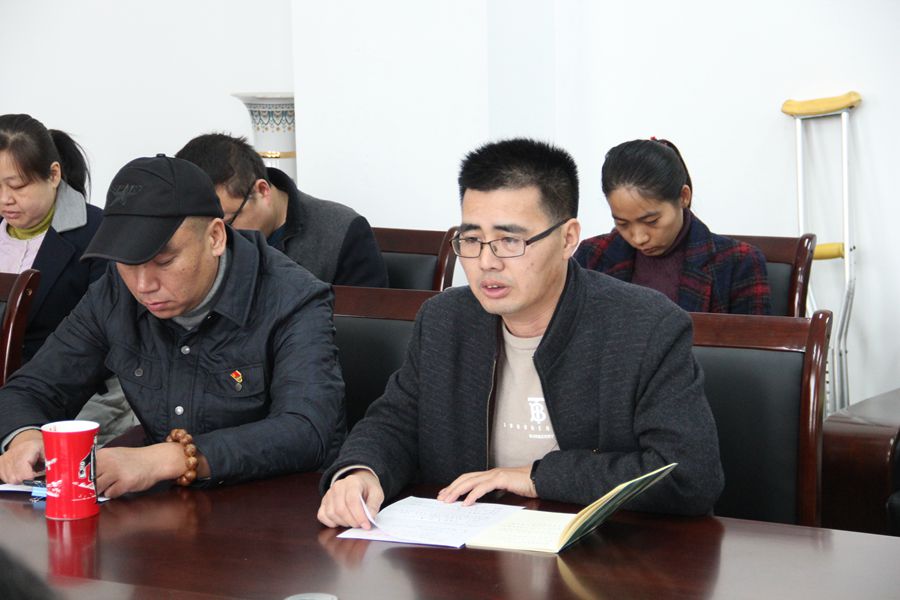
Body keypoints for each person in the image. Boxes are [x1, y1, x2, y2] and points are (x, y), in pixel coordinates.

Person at [317, 138, 724, 529]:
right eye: (472, 239)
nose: (486, 262)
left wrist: (536, 477)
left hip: (607, 552)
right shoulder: (445, 319)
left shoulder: (645, 326)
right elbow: (396, 422)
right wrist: (361, 471)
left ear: (568, 239)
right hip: (466, 551)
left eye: (510, 240)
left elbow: (689, 475)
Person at [0, 155, 345, 497]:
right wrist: (24, 436)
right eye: (127, 263)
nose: (143, 285)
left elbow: (307, 431)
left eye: (163, 261)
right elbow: (32, 388)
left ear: (215, 237)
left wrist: (170, 459)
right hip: (165, 510)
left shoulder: (292, 297)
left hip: (275, 509)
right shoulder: (115, 293)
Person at [0, 113, 135, 444]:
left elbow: (110, 340)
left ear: (53, 174)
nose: (5, 199)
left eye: (17, 186)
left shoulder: (99, 233)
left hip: (77, 394)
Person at [575, 138, 771, 314]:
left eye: (651, 221)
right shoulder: (592, 256)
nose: (638, 238)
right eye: (622, 223)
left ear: (684, 197)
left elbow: (753, 343)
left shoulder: (738, 263)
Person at [175, 133, 388, 287]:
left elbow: (363, 325)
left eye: (227, 223)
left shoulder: (341, 232)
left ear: (262, 191)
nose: (217, 239)